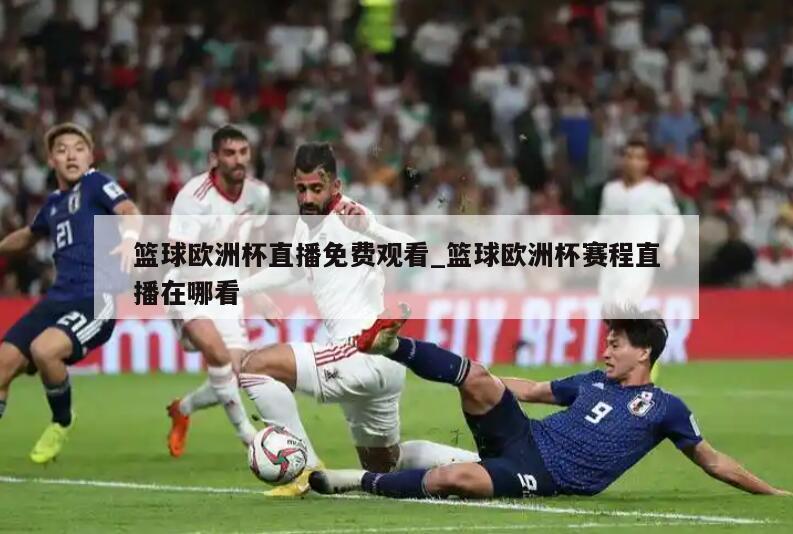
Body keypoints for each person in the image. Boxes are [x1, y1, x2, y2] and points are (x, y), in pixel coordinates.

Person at [309, 305, 790, 499]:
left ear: (643, 352)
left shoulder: (666, 407)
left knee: (455, 479)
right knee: (476, 376)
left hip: (546, 475)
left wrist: (772, 494)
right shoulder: (592, 381)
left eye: (616, 344)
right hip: (523, 435)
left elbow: (713, 461)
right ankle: (392, 345)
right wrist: (480, 382)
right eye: (607, 342)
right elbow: (535, 391)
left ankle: (358, 482)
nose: (606, 351)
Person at [237, 142, 479, 497]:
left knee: (255, 366)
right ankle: (485, 463)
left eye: (316, 188)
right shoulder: (308, 223)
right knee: (386, 465)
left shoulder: (349, 216)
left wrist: (370, 229)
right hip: (377, 362)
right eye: (301, 188)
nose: (307, 197)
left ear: (335, 186)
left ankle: (304, 470)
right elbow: (292, 268)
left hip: (362, 350)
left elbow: (416, 251)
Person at [0, 123, 141, 463]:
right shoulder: (53, 204)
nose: (71, 155)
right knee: (2, 363)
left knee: (44, 350)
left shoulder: (96, 183)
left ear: (90, 157)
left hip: (96, 298)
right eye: (62, 150)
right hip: (57, 299)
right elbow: (29, 235)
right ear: (51, 160)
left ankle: (62, 420)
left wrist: (129, 239)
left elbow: (129, 211)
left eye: (79, 148)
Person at [165, 125, 271, 455]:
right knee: (220, 357)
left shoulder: (258, 195)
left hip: (227, 287)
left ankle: (182, 409)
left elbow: (254, 246)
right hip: (188, 285)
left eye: (243, 152)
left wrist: (259, 291)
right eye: (229, 153)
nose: (238, 160)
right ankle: (250, 438)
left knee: (231, 374)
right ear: (214, 158)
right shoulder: (193, 198)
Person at [595, 138, 684, 382]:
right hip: (612, 258)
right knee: (610, 313)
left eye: (638, 157)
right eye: (629, 156)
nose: (633, 162)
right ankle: (639, 355)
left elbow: (675, 221)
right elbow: (604, 226)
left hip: (639, 259)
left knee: (623, 309)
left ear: (645, 163)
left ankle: (638, 368)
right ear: (622, 160)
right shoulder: (611, 191)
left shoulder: (657, 192)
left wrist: (668, 248)